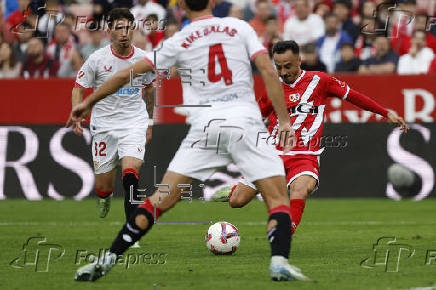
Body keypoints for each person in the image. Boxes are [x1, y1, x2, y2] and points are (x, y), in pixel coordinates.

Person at [69, 0, 310, 282]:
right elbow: (269, 72)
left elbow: (125, 74)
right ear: (212, 2)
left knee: (158, 201)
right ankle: (279, 260)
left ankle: (108, 258)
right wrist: (283, 121)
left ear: (182, 6)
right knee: (278, 197)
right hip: (245, 123)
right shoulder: (239, 27)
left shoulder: (179, 40)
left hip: (204, 129)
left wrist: (88, 102)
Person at [219, 40, 408, 235]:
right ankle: (232, 191)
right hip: (271, 153)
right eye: (279, 67)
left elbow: (353, 96)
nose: (283, 72)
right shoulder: (273, 88)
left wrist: (386, 113)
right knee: (237, 201)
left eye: (288, 66)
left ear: (299, 61)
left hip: (305, 154)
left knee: (300, 190)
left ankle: (284, 231)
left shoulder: (320, 81)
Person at [70, 8, 155, 247]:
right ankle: (104, 198)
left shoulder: (143, 59)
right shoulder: (97, 59)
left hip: (133, 122)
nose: (124, 33)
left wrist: (148, 122)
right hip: (104, 126)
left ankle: (132, 231)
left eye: (128, 27)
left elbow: (149, 89)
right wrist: (77, 114)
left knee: (130, 175)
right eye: (119, 28)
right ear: (109, 31)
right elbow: (78, 87)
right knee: (104, 186)